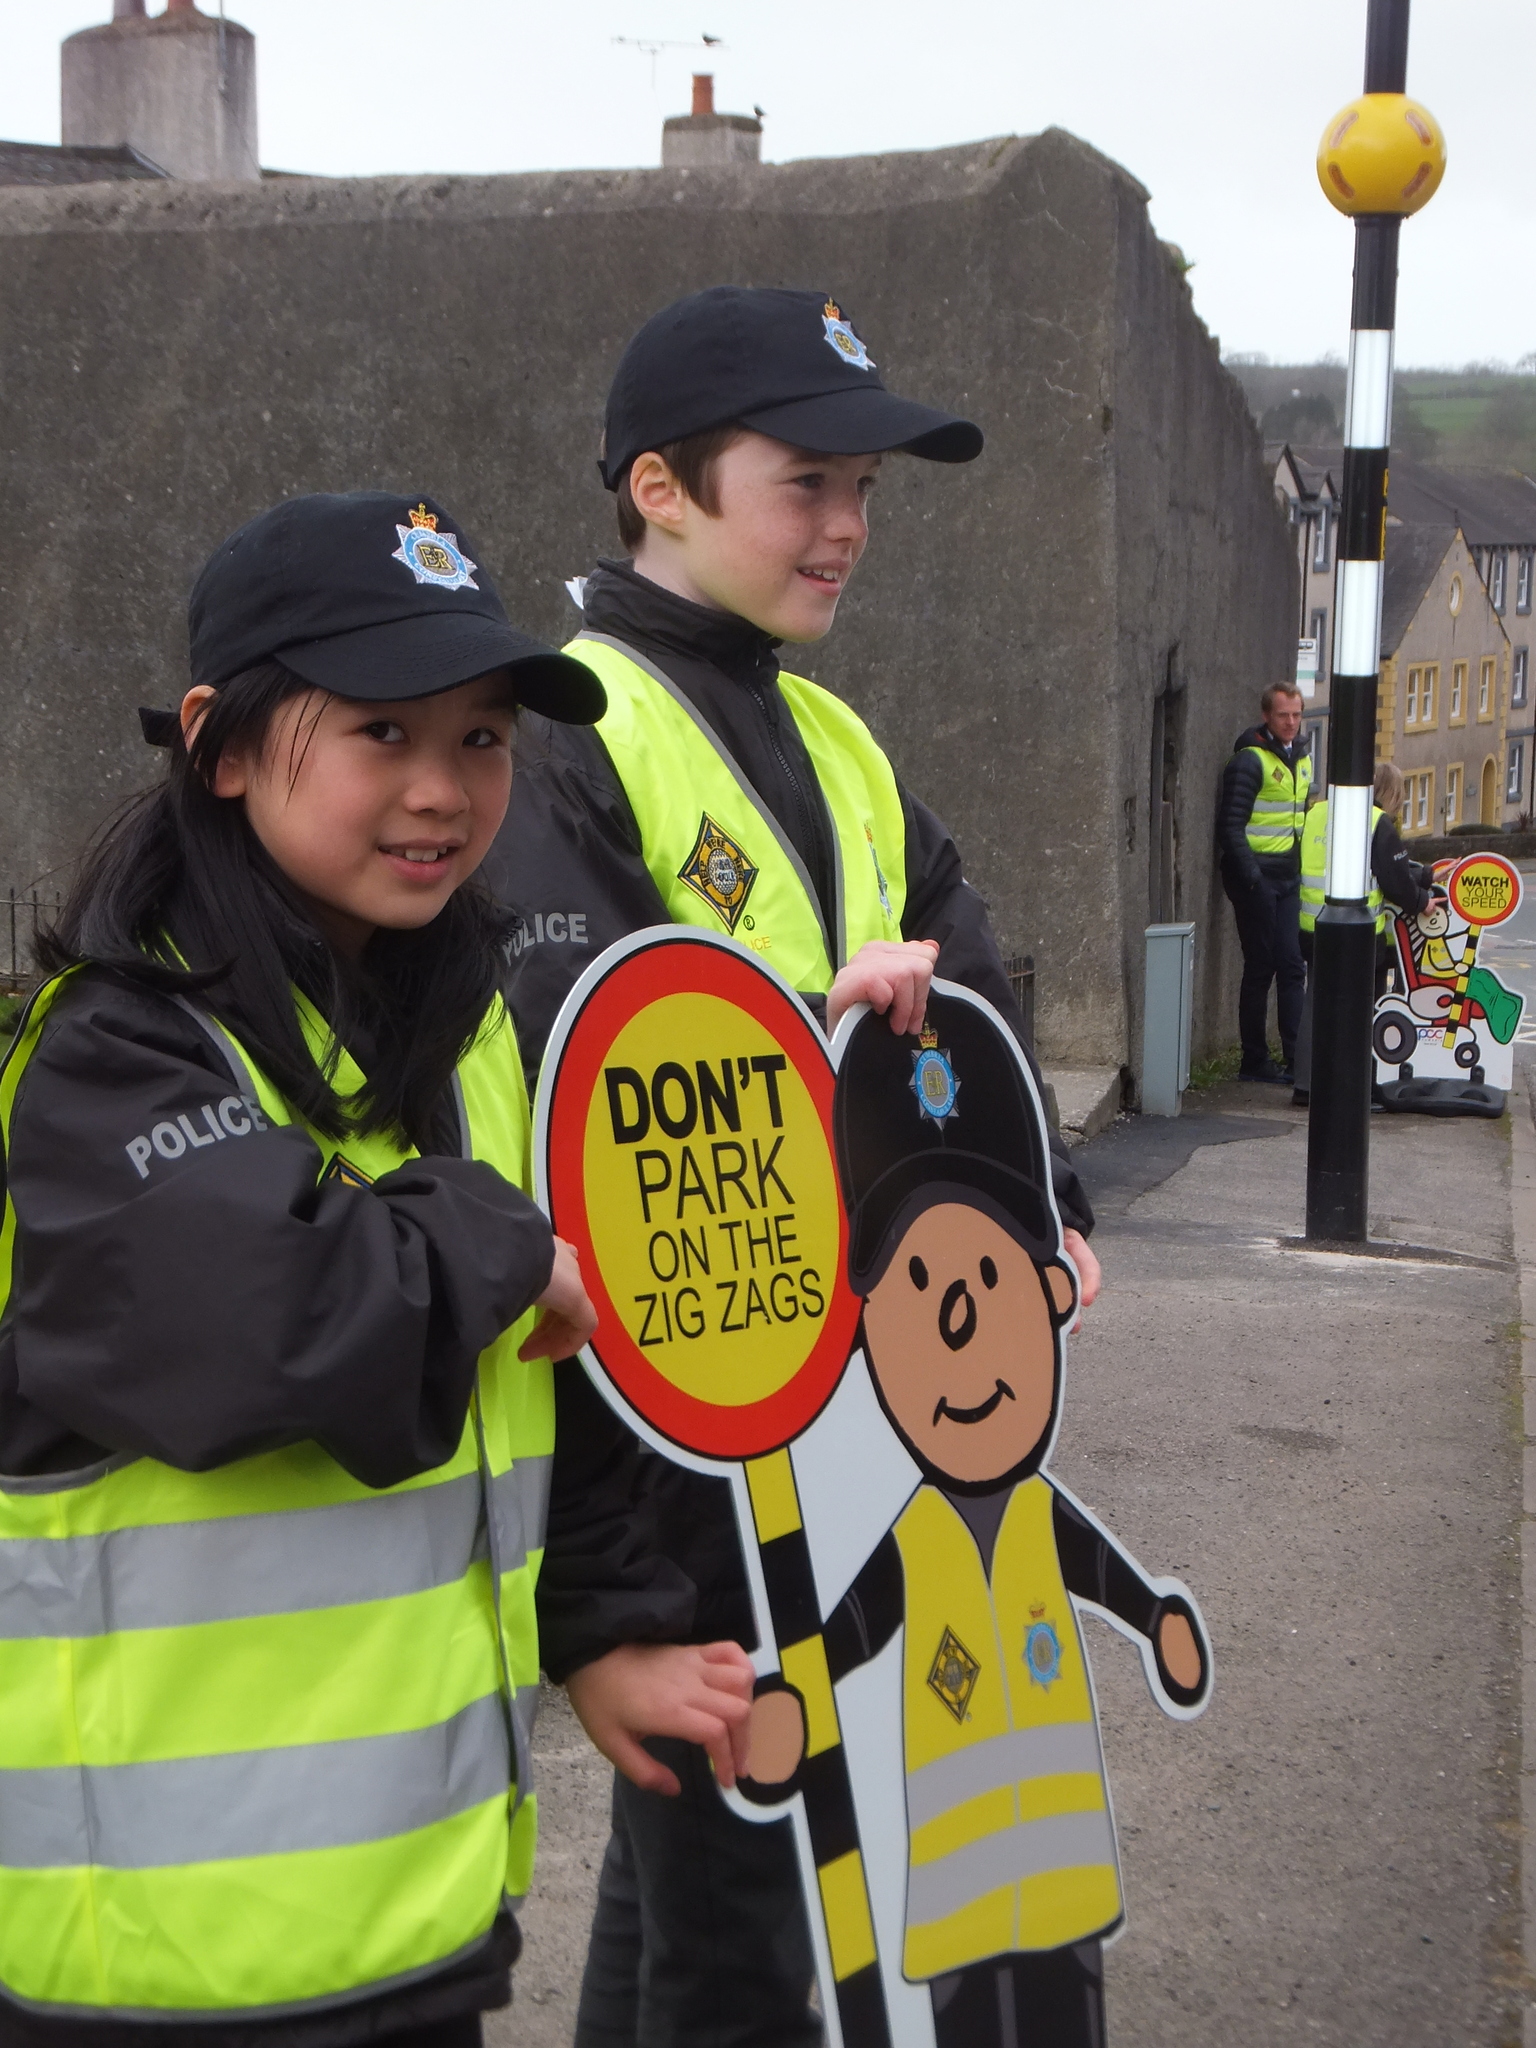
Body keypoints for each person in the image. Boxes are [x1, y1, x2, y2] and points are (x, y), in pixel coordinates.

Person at [0, 490, 754, 2048]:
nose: (442, 791)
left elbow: (557, 1354)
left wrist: (599, 1625)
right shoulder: (109, 1053)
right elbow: (269, 1321)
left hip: (414, 1924)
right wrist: (494, 1236)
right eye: (382, 735)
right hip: (150, 1962)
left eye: (481, 739)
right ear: (218, 743)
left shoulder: (467, 1030)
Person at [488, 285, 1101, 2048]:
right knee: (756, 1914)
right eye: (805, 483)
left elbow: (966, 981)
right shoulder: (567, 733)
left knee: (722, 1854)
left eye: (865, 491)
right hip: (689, 1423)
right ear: (660, 486)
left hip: (860, 1412)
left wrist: (1038, 1201)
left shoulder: (839, 738)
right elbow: (583, 1097)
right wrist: (824, 1067)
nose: (845, 526)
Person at [742, 988, 1209, 2048]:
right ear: (871, 1335)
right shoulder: (910, 1541)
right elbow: (842, 1639)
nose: (957, 1328)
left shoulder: (1044, 1514)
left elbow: (1108, 1577)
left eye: (986, 1279)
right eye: (918, 1287)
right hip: (955, 1902)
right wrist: (793, 1716)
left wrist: (1158, 1621)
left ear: (1049, 1292)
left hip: (1065, 1886)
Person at [1291, 758, 1438, 1105]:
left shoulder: (1317, 813)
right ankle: (1356, 1087)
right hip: (1358, 934)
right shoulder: (1376, 821)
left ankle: (1306, 1085)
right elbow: (1394, 879)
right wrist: (1422, 902)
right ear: (1392, 793)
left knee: (1316, 1006)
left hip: (1313, 926)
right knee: (1361, 1013)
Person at [1216, 682, 1311, 1083]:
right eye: (1282, 715)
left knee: (1292, 966)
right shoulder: (1249, 761)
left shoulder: (1302, 757)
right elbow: (1230, 826)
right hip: (1255, 880)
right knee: (1261, 967)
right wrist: (1253, 878)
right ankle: (1254, 1060)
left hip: (1288, 877)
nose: (1290, 722)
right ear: (1267, 716)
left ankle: (1296, 1058)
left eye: (1296, 714)